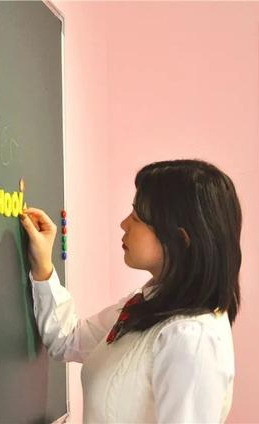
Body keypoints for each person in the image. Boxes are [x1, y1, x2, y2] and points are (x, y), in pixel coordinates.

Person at [19, 159, 242, 423]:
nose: (124, 224)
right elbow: (68, 340)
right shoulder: (149, 302)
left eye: (137, 217)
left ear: (180, 239)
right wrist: (43, 266)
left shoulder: (192, 338)